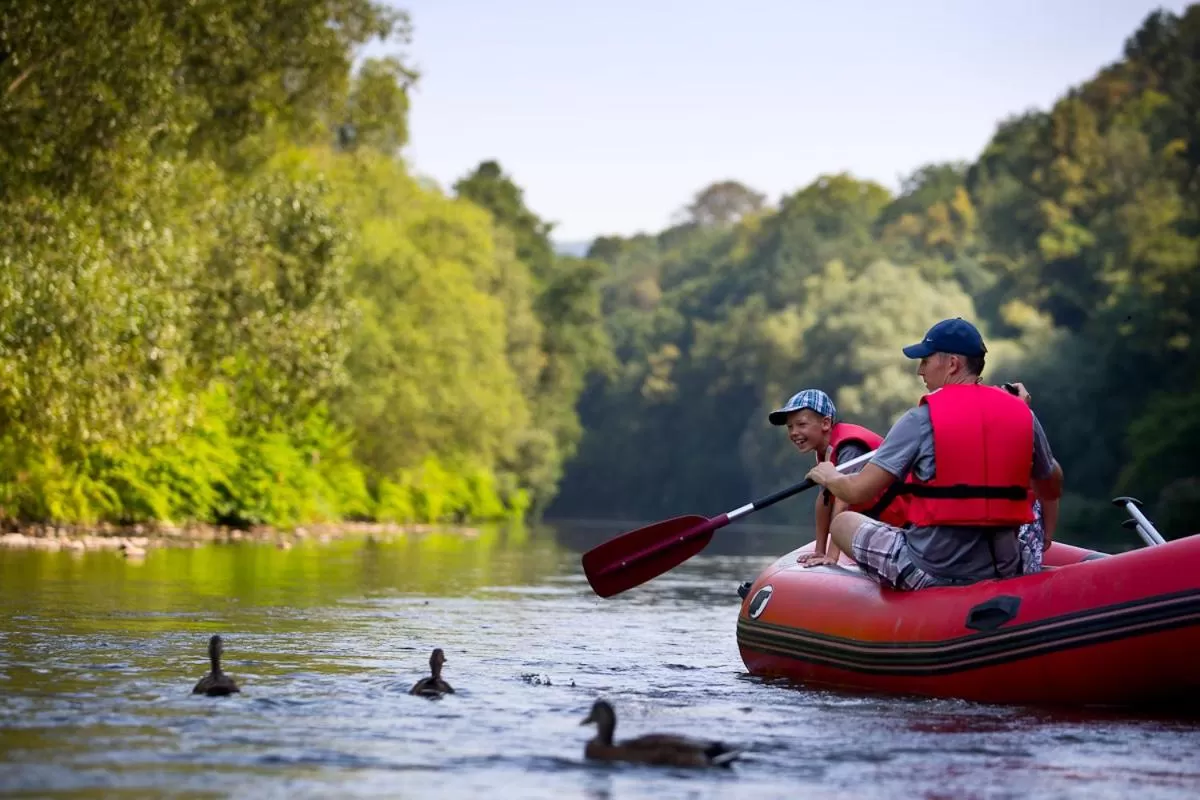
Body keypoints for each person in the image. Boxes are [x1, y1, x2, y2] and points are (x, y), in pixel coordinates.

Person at [804, 318, 1064, 590]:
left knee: (843, 522)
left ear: (952, 364)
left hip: (930, 571)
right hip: (1004, 567)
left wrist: (830, 476)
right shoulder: (1023, 414)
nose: (920, 370)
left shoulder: (920, 419)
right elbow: (1051, 486)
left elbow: (858, 492)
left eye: (925, 360)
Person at [767, 389, 909, 567]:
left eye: (801, 424)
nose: (794, 432)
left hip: (905, 525)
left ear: (826, 423)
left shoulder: (849, 448)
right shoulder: (824, 452)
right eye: (790, 427)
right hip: (876, 521)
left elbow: (843, 501)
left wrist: (831, 557)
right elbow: (825, 500)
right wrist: (819, 550)